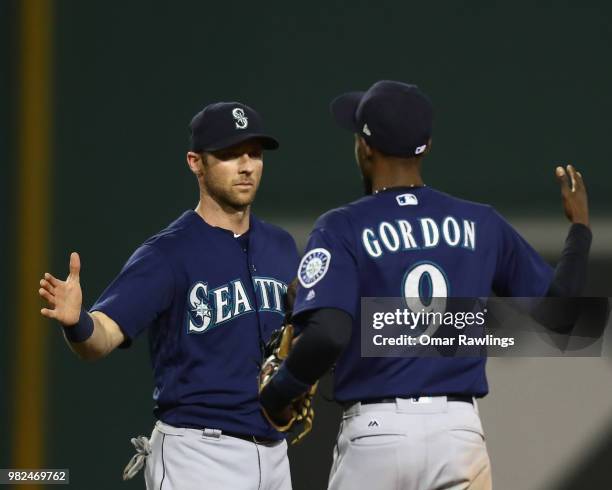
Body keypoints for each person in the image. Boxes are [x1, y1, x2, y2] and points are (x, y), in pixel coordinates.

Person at [259, 80, 592, 489]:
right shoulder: (481, 222)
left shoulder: (342, 226)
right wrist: (579, 228)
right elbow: (562, 318)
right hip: (458, 437)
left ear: (364, 147)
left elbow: (328, 333)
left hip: (377, 434)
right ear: (428, 146)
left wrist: (279, 392)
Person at [38, 101, 299, 490]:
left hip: (276, 453)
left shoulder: (281, 246)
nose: (246, 165)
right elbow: (103, 336)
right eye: (229, 154)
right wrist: (78, 323)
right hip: (198, 454)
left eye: (254, 154)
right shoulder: (167, 253)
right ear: (196, 162)